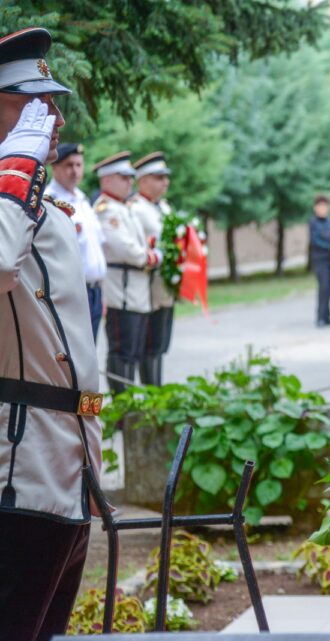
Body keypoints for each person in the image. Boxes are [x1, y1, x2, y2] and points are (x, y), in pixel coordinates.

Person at [0, 27, 104, 641]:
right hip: (20, 469)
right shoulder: (12, 191)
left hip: (69, 467)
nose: (52, 118)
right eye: (29, 103)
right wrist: (13, 167)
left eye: (52, 102)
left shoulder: (37, 198)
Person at [95, 151, 160, 393]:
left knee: (133, 351)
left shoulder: (124, 208)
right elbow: (128, 250)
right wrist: (151, 257)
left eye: (130, 178)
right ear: (107, 179)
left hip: (136, 291)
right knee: (121, 353)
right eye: (124, 178)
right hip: (121, 293)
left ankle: (131, 404)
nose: (129, 182)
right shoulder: (106, 210)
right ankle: (123, 407)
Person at [45, 142, 107, 340]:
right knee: (72, 353)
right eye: (69, 165)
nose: (75, 171)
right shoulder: (49, 201)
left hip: (94, 291)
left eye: (79, 165)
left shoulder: (82, 200)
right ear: (55, 168)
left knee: (90, 353)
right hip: (71, 293)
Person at [129, 151, 174, 385]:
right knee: (148, 345)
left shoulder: (163, 207)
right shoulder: (135, 209)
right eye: (159, 177)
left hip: (165, 288)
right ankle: (150, 393)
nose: (165, 182)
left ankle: (157, 389)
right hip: (147, 290)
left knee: (160, 345)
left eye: (166, 177)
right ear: (143, 180)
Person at [308, 193, 330, 327]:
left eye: (325, 206)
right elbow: (315, 241)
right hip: (321, 258)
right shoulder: (313, 222)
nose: (323, 209)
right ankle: (320, 316)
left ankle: (327, 316)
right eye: (320, 206)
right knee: (324, 286)